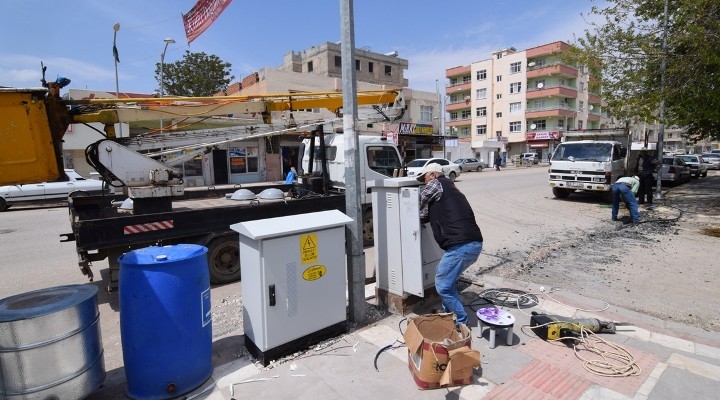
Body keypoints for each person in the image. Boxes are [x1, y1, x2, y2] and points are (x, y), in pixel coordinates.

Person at [417, 163, 484, 328]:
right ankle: (447, 315)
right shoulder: (449, 189)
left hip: (461, 246)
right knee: (448, 281)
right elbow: (424, 214)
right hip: (471, 244)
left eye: (424, 179)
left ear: (432, 175)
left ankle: (461, 322)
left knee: (442, 285)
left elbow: (418, 201)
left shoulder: (438, 183)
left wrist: (403, 204)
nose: (424, 183)